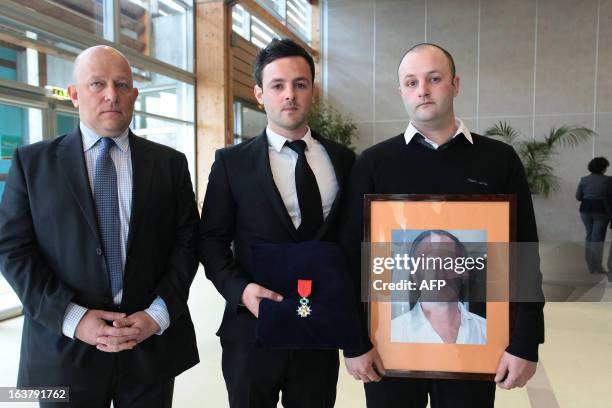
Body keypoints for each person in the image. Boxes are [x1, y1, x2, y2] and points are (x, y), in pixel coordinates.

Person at [338, 43, 544, 408]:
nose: (423, 90)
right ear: (401, 90)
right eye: (412, 81)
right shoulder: (373, 164)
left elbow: (523, 254)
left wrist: (526, 342)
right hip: (388, 352)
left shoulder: (498, 160)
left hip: (475, 354)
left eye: (434, 78)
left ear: (455, 84)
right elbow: (351, 258)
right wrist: (354, 342)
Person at [0, 45, 199, 407]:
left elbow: (187, 243)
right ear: (74, 95)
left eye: (122, 85)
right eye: (97, 84)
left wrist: (157, 314)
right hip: (62, 348)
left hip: (147, 347)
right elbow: (13, 250)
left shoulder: (170, 164)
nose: (112, 94)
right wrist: (72, 318)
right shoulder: (33, 164)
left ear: (134, 95)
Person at [198, 38, 355, 408]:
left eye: (300, 84)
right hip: (251, 329)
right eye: (278, 85)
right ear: (259, 94)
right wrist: (240, 290)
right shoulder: (231, 163)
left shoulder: (344, 161)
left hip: (317, 329)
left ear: (312, 91)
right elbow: (210, 240)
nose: (290, 95)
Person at [391, 230, 487, 345]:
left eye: (448, 262)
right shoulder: (394, 332)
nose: (439, 274)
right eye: (429, 264)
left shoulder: (486, 330)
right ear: (415, 277)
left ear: (464, 272)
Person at [576, 156, 612, 274]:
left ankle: (590, 266)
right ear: (603, 167)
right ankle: (597, 267)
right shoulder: (608, 180)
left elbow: (578, 197)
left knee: (590, 237)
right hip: (601, 210)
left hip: (585, 210)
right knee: (597, 239)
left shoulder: (584, 179)